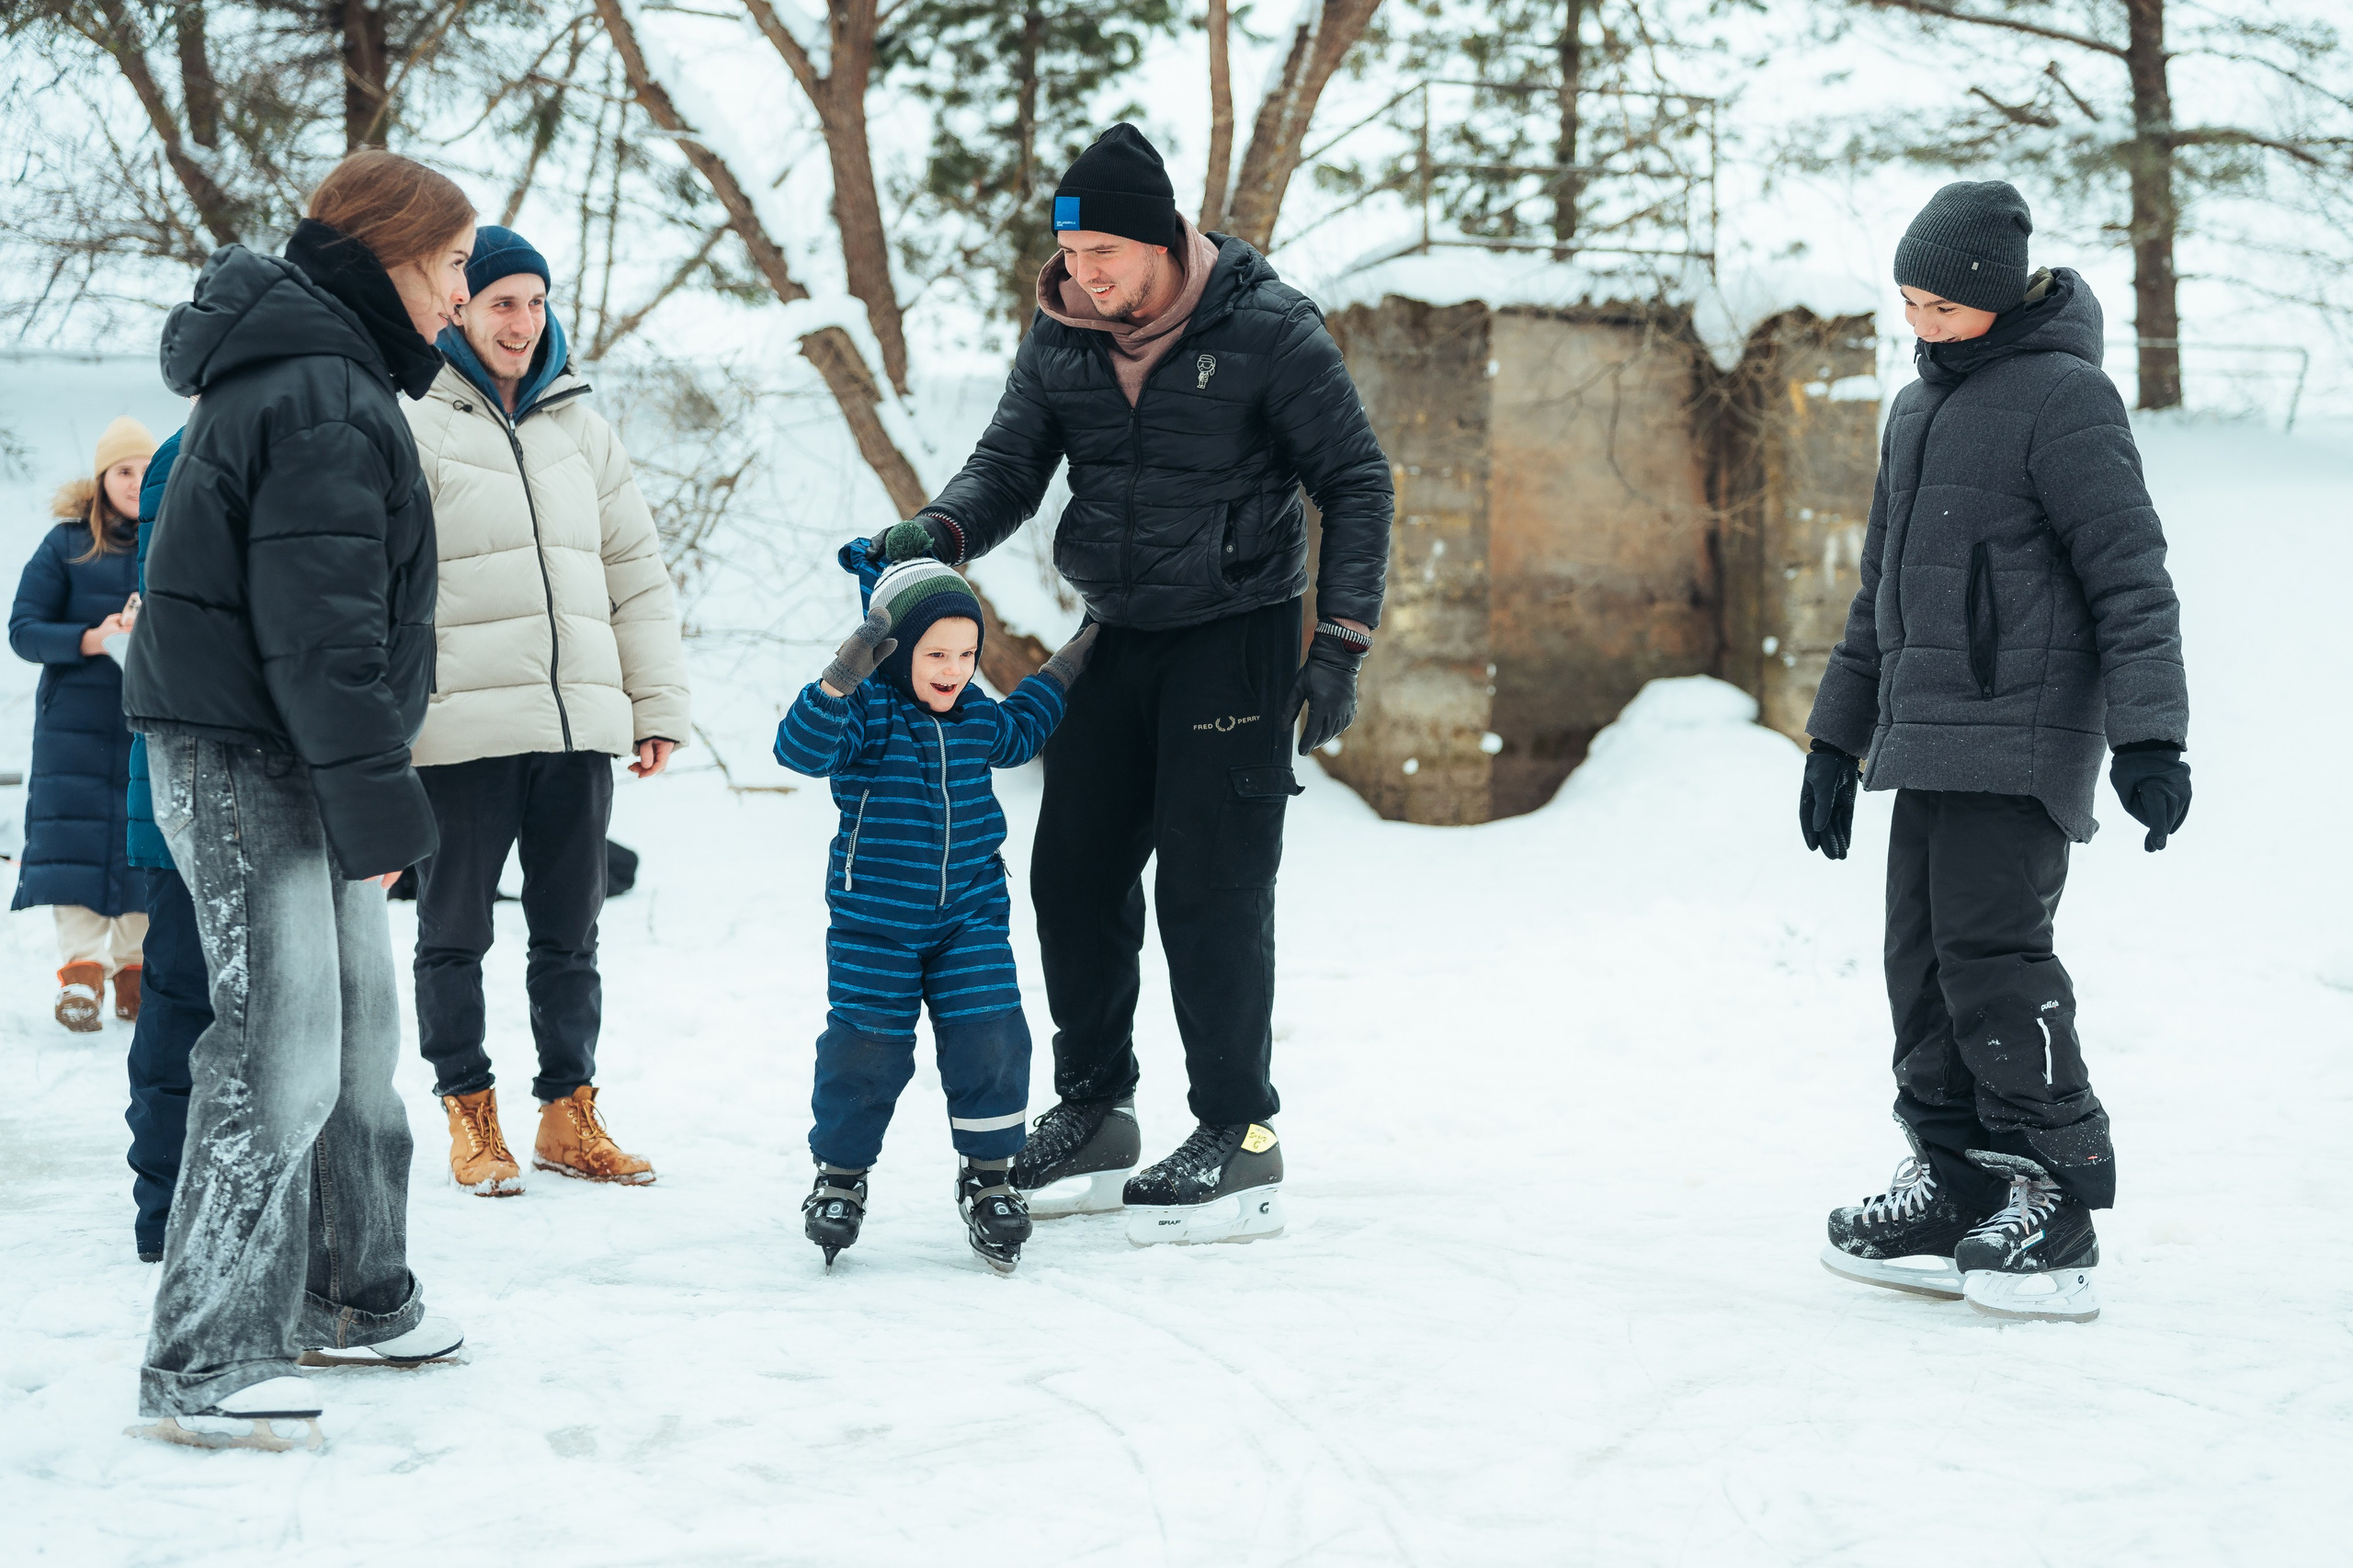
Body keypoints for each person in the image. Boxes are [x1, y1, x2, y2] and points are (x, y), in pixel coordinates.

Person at [870, 124, 1393, 1245]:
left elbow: (1354, 478)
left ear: (1164, 240)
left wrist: (1340, 638)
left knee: (1209, 887)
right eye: (1072, 253)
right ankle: (1098, 1108)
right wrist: (940, 529)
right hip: (1117, 629)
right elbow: (1011, 461)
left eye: (1106, 251)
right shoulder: (1062, 334)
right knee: (1071, 872)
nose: (1085, 273)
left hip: (1237, 634)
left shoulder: (1265, 327)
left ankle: (1240, 1131)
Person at [120, 149, 476, 1450]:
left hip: (295, 748)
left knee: (357, 1039)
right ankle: (205, 1355)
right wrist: (384, 812)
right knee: (279, 1046)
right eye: (449, 266)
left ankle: (355, 1289)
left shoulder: (329, 373)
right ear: (390, 253)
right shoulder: (322, 389)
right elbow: (320, 636)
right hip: (250, 750)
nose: (459, 294)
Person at [1803, 181, 2191, 1325]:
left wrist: (2151, 735)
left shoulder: (2066, 401)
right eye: (1906, 301)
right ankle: (1954, 1175)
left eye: (1936, 303)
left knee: (1993, 963)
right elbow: (1880, 596)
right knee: (1916, 962)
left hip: (2020, 739)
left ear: (1989, 294)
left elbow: (2131, 577)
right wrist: (1835, 735)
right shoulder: (1914, 411)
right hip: (1922, 740)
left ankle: (2053, 1193)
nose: (1916, 321)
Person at [401, 225, 689, 1197]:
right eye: (500, 302)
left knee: (572, 931)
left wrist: (651, 702)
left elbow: (634, 576)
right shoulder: (416, 418)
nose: (522, 321)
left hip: (576, 731)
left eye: (534, 300)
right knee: (455, 929)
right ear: (460, 310)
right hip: (465, 727)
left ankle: (569, 1112)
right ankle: (468, 1111)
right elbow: (387, 588)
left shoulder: (582, 426)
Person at [774, 550, 1097, 1273]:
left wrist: (1067, 666)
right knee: (867, 1048)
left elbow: (1019, 733)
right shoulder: (864, 713)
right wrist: (837, 681)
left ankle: (989, 1177)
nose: (954, 668)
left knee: (992, 1037)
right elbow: (798, 750)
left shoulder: (974, 711)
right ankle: (840, 1177)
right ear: (894, 656)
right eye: (936, 653)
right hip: (874, 925)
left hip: (968, 917)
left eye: (967, 652)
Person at [10, 416, 155, 1032]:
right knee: (74, 847)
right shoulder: (66, 545)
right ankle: (81, 975)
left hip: (152, 723)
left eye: (148, 471)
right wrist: (92, 639)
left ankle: (136, 974)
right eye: (125, 470)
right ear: (102, 479)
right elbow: (24, 629)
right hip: (75, 726)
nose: (136, 481)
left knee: (145, 847)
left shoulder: (179, 540)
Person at [121, 426, 217, 1264]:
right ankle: (166, 1211)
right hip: (182, 793)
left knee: (192, 1006)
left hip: (193, 786)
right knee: (183, 1006)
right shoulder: (195, 453)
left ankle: (182, 1210)